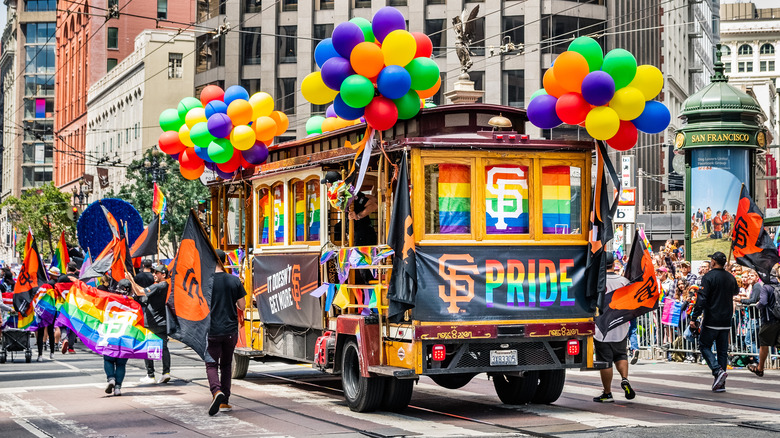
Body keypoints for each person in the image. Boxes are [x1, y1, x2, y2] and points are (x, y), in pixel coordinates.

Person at [690, 251, 738, 392]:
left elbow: (702, 298)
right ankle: (720, 383)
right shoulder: (730, 277)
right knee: (722, 351)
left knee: (704, 346)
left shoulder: (708, 277)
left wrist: (694, 317)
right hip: (726, 319)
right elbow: (735, 291)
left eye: (711, 260)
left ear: (714, 262)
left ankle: (717, 371)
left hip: (712, 318)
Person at [207, 249, 246, 416]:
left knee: (211, 364)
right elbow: (242, 306)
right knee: (226, 365)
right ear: (224, 261)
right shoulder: (234, 280)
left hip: (211, 330)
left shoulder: (205, 282)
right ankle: (225, 402)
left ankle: (216, 391)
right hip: (230, 330)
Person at [592, 252, 636, 403]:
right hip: (620, 324)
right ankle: (624, 378)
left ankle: (607, 392)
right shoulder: (624, 281)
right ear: (614, 263)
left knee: (605, 360)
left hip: (601, 327)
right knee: (621, 355)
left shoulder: (598, 281)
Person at [126, 264, 171, 384]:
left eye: (157, 273)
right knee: (163, 347)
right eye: (154, 272)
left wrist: (130, 279)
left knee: (148, 347)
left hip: (152, 322)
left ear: (163, 275)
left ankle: (150, 375)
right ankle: (166, 372)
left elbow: (140, 292)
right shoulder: (163, 286)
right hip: (161, 321)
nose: (154, 275)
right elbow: (142, 290)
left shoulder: (160, 285)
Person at [748, 267, 780, 377]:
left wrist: (757, 305)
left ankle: (760, 368)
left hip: (769, 320)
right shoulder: (779, 286)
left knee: (764, 343)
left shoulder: (766, 287)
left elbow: (763, 302)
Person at [103, 279, 133, 396]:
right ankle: (118, 388)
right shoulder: (133, 303)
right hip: (126, 337)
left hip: (111, 334)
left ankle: (111, 378)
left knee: (108, 359)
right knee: (121, 364)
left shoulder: (111, 299)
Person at [58, 262, 79, 354]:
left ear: (67, 268)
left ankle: (64, 339)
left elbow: (56, 290)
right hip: (74, 305)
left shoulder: (61, 278)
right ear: (75, 269)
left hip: (63, 304)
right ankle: (71, 347)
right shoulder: (77, 280)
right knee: (73, 325)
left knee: (61, 324)